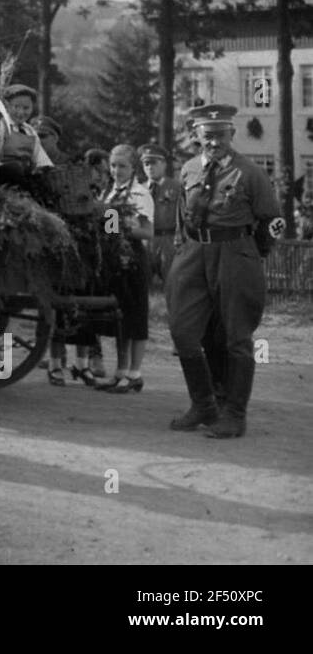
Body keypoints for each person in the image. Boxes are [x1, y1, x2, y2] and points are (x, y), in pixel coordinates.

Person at [167, 104, 281, 439]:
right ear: (196, 137)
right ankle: (203, 404)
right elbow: (181, 215)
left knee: (237, 337)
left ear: (232, 135)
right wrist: (183, 247)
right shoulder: (188, 169)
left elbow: (273, 221)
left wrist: (254, 253)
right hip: (193, 252)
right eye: (207, 136)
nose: (214, 142)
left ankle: (234, 414)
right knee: (183, 332)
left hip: (235, 253)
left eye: (221, 135)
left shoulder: (249, 173)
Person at [94, 144, 154, 393]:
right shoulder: (108, 193)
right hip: (113, 258)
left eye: (123, 166)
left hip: (134, 258)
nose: (117, 171)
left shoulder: (140, 194)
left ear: (133, 168)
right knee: (119, 319)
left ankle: (135, 373)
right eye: (113, 166)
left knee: (136, 316)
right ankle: (120, 371)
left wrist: (120, 229)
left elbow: (147, 232)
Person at [140, 144, 179, 288]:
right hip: (144, 241)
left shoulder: (176, 188)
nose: (150, 167)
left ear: (164, 164)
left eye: (154, 163)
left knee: (172, 285)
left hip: (168, 241)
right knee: (142, 285)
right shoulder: (139, 189)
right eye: (146, 163)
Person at [0, 84, 53, 180]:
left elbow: (40, 157)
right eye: (16, 107)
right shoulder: (1, 126)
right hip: (6, 173)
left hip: (26, 174)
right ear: (7, 106)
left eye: (26, 108)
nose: (21, 112)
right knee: (15, 168)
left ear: (32, 108)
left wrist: (45, 168)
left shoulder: (30, 131)